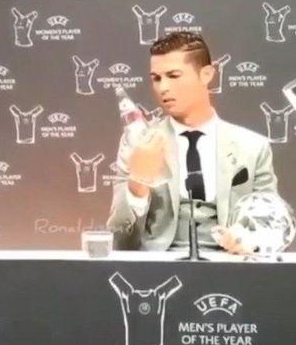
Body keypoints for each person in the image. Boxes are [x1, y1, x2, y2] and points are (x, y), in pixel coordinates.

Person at [107, 32, 282, 254]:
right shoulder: (139, 143)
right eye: (156, 78)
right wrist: (137, 184)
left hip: (231, 264)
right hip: (158, 265)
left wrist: (247, 238)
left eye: (173, 76)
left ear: (206, 74)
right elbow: (120, 238)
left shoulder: (252, 146)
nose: (163, 88)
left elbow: (271, 221)